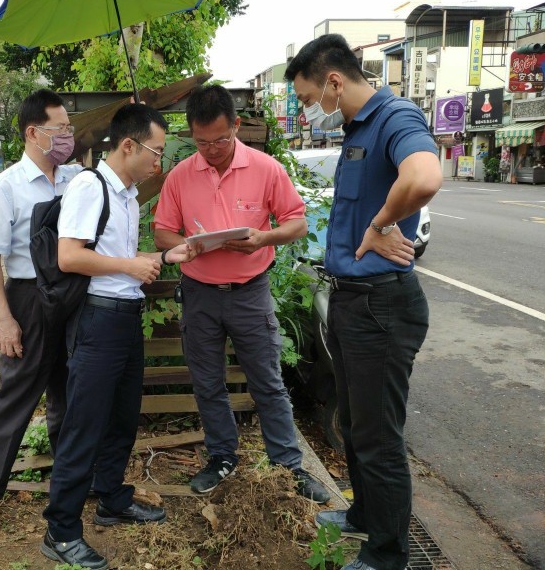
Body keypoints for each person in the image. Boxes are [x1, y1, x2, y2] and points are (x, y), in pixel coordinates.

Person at [285, 34, 442, 570]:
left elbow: (423, 176)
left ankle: (387, 553)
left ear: (333, 82)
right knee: (353, 423)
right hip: (353, 302)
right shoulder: (356, 129)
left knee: (378, 438)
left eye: (308, 100)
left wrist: (379, 225)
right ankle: (362, 517)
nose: (309, 112)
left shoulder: (395, 117)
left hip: (381, 306)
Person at [153, 85, 330, 504]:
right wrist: (186, 245)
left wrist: (263, 237)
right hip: (198, 292)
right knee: (208, 382)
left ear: (236, 126)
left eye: (220, 140)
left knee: (267, 382)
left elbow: (297, 223)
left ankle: (289, 466)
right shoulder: (180, 175)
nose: (211, 150)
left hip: (250, 291)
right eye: (201, 142)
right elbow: (162, 230)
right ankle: (220, 457)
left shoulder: (266, 169)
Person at [41, 104, 195, 570]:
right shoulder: (89, 187)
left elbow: (118, 261)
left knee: (123, 417)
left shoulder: (126, 194)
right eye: (155, 151)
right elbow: (70, 257)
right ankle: (61, 530)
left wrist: (163, 259)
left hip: (125, 317)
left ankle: (112, 498)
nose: (158, 163)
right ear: (128, 145)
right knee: (84, 424)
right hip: (98, 320)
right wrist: (130, 265)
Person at [0, 89, 83, 535]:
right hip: (28, 299)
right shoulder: (5, 187)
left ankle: (70, 480)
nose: (68, 136)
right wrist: (3, 318)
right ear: (34, 133)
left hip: (71, 295)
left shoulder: (75, 179)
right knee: (15, 397)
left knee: (69, 393)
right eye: (61, 129)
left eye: (70, 128)